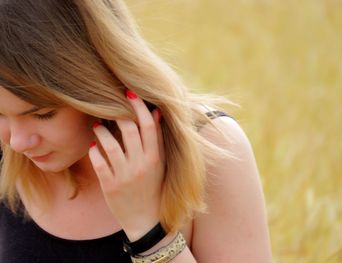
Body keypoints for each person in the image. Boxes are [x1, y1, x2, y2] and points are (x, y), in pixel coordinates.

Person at [0, 0, 272, 262]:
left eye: (43, 114)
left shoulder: (211, 149)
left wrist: (148, 232)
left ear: (100, 75)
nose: (18, 142)